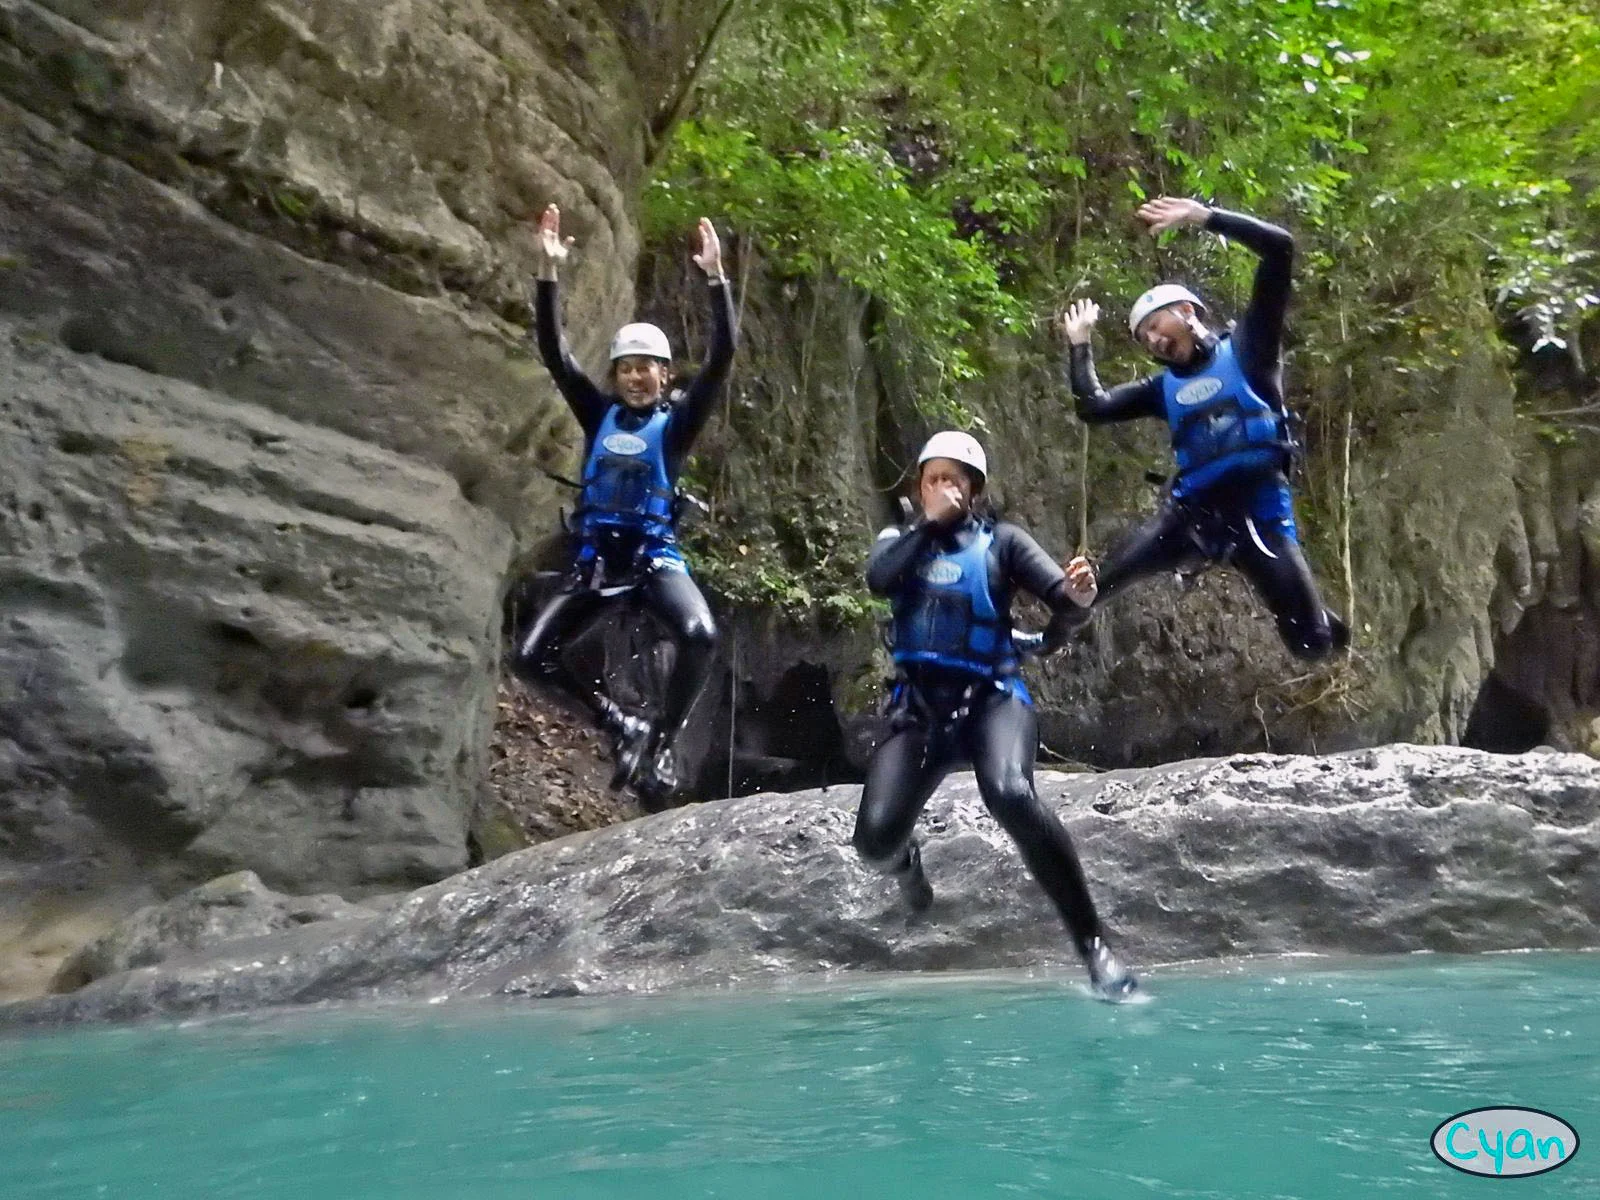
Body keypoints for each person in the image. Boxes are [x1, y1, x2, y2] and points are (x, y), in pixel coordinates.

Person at [854, 431, 1139, 1002]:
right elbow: (879, 582)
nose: (945, 489)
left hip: (991, 700)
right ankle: (908, 864)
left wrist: (1079, 599)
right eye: (934, 478)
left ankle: (1094, 947)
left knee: (1010, 793)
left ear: (974, 490)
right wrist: (925, 526)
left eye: (956, 480)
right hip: (919, 709)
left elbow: (1064, 605)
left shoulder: (1002, 542)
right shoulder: (898, 541)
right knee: (873, 844)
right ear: (920, 486)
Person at [511, 204, 735, 806]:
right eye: (628, 369)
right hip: (597, 562)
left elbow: (721, 360)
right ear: (616, 376)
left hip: (653, 559)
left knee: (700, 635)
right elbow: (556, 354)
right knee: (531, 658)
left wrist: (716, 281)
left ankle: (661, 737)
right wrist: (548, 275)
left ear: (665, 377)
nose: (637, 378)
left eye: (649, 370)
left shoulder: (678, 426)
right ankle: (618, 722)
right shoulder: (598, 413)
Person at [1060, 196, 1349, 661]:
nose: (1153, 340)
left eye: (1156, 325)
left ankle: (1318, 617)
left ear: (1189, 313)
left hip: (1259, 511)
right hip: (1192, 518)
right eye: (1144, 339)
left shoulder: (1251, 349)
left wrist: (1204, 217)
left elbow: (1281, 249)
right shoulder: (1161, 388)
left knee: (1312, 646)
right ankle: (1042, 640)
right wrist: (1079, 346)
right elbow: (1093, 407)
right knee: (1094, 587)